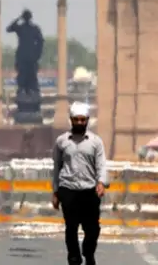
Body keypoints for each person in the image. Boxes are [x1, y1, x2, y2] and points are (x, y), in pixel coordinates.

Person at [51, 102, 107, 265]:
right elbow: (56, 167)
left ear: (88, 120)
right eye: (77, 120)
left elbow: (101, 164)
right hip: (68, 189)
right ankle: (74, 258)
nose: (80, 123)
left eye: (83, 120)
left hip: (89, 190)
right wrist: (55, 192)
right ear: (71, 120)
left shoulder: (96, 142)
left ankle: (88, 252)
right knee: (71, 228)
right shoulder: (61, 142)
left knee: (93, 229)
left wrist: (101, 182)